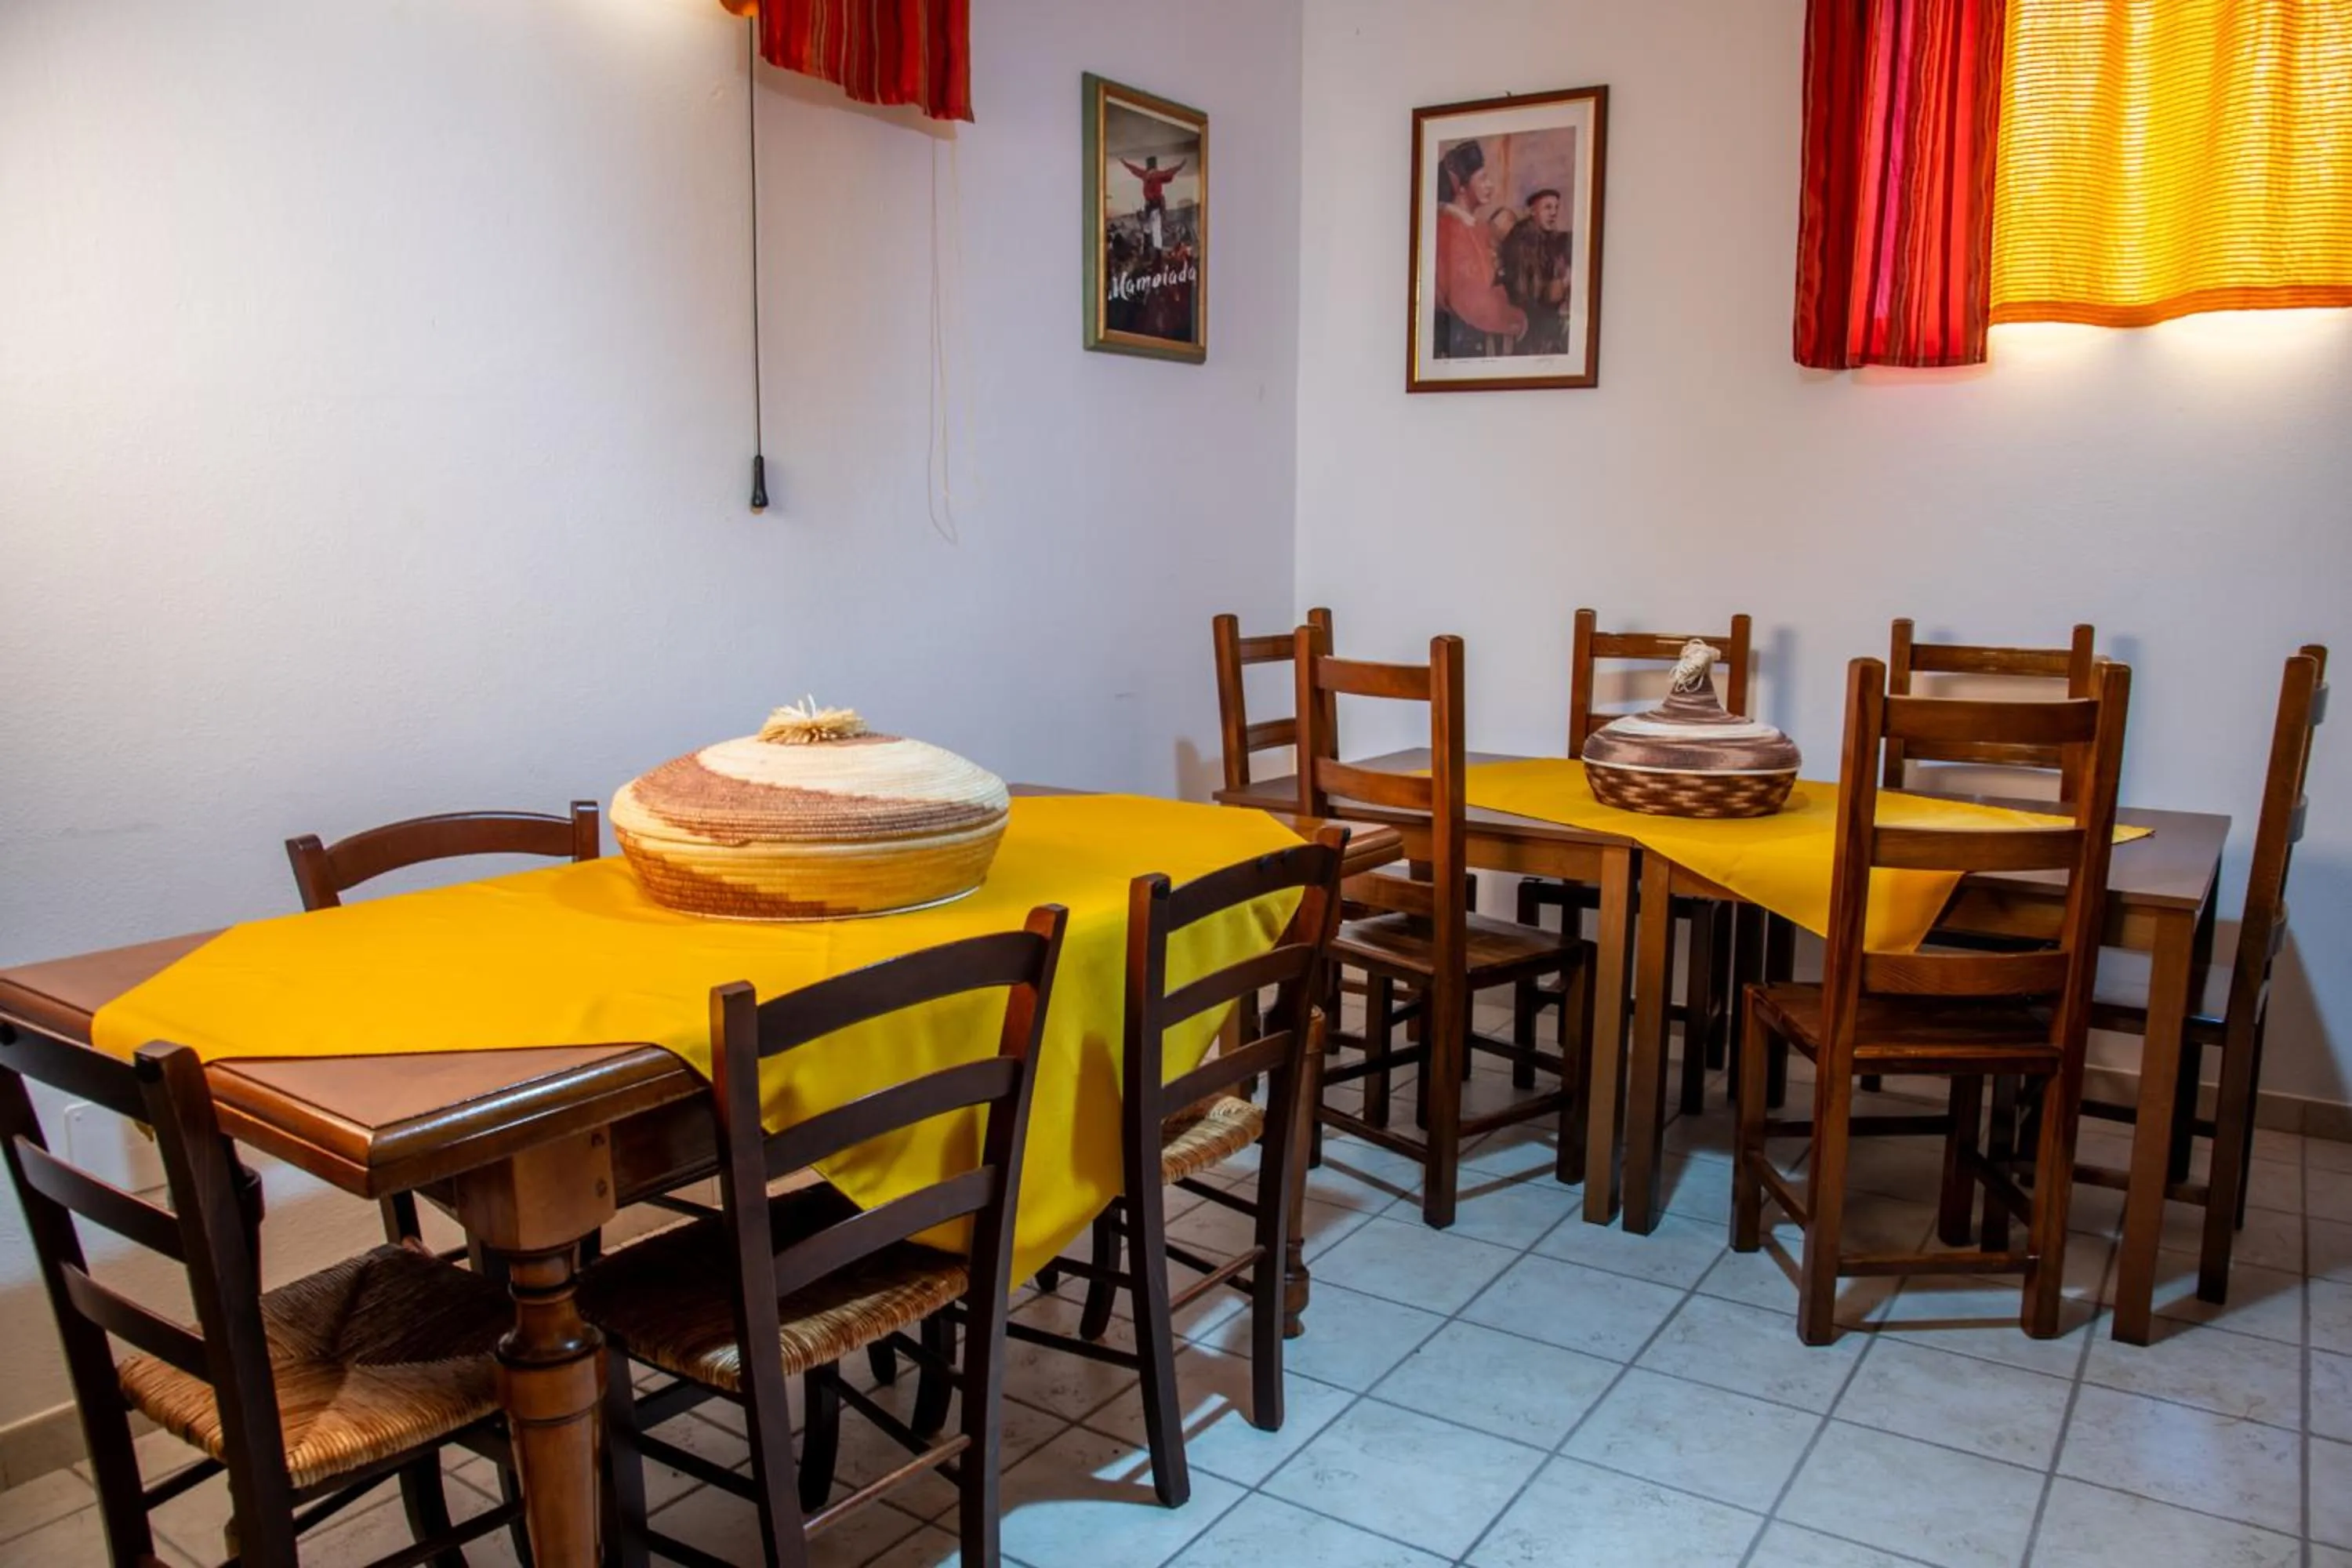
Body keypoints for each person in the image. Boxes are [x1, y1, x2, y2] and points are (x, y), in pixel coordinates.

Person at [1432, 140, 1525, 358]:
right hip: (1458, 344)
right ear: (1461, 187)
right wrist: (1516, 319)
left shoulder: (1475, 227)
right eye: (1483, 178)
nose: (1490, 185)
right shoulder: (1449, 228)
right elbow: (1473, 303)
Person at [1498, 185, 1573, 355]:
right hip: (1527, 316)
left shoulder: (1546, 236)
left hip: (1539, 312)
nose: (1554, 213)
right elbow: (1529, 292)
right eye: (1547, 207)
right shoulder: (1523, 238)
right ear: (1532, 211)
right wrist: (1562, 283)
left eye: (1556, 208)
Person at [1121, 154, 1187, 252]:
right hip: (1153, 204)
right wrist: (1180, 166)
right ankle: (1153, 249)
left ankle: (1154, 250)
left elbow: (1134, 169)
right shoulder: (1152, 174)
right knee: (1151, 228)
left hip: (1154, 204)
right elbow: (1170, 172)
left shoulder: (1148, 174)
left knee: (1151, 228)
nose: (1151, 173)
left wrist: (1125, 163)